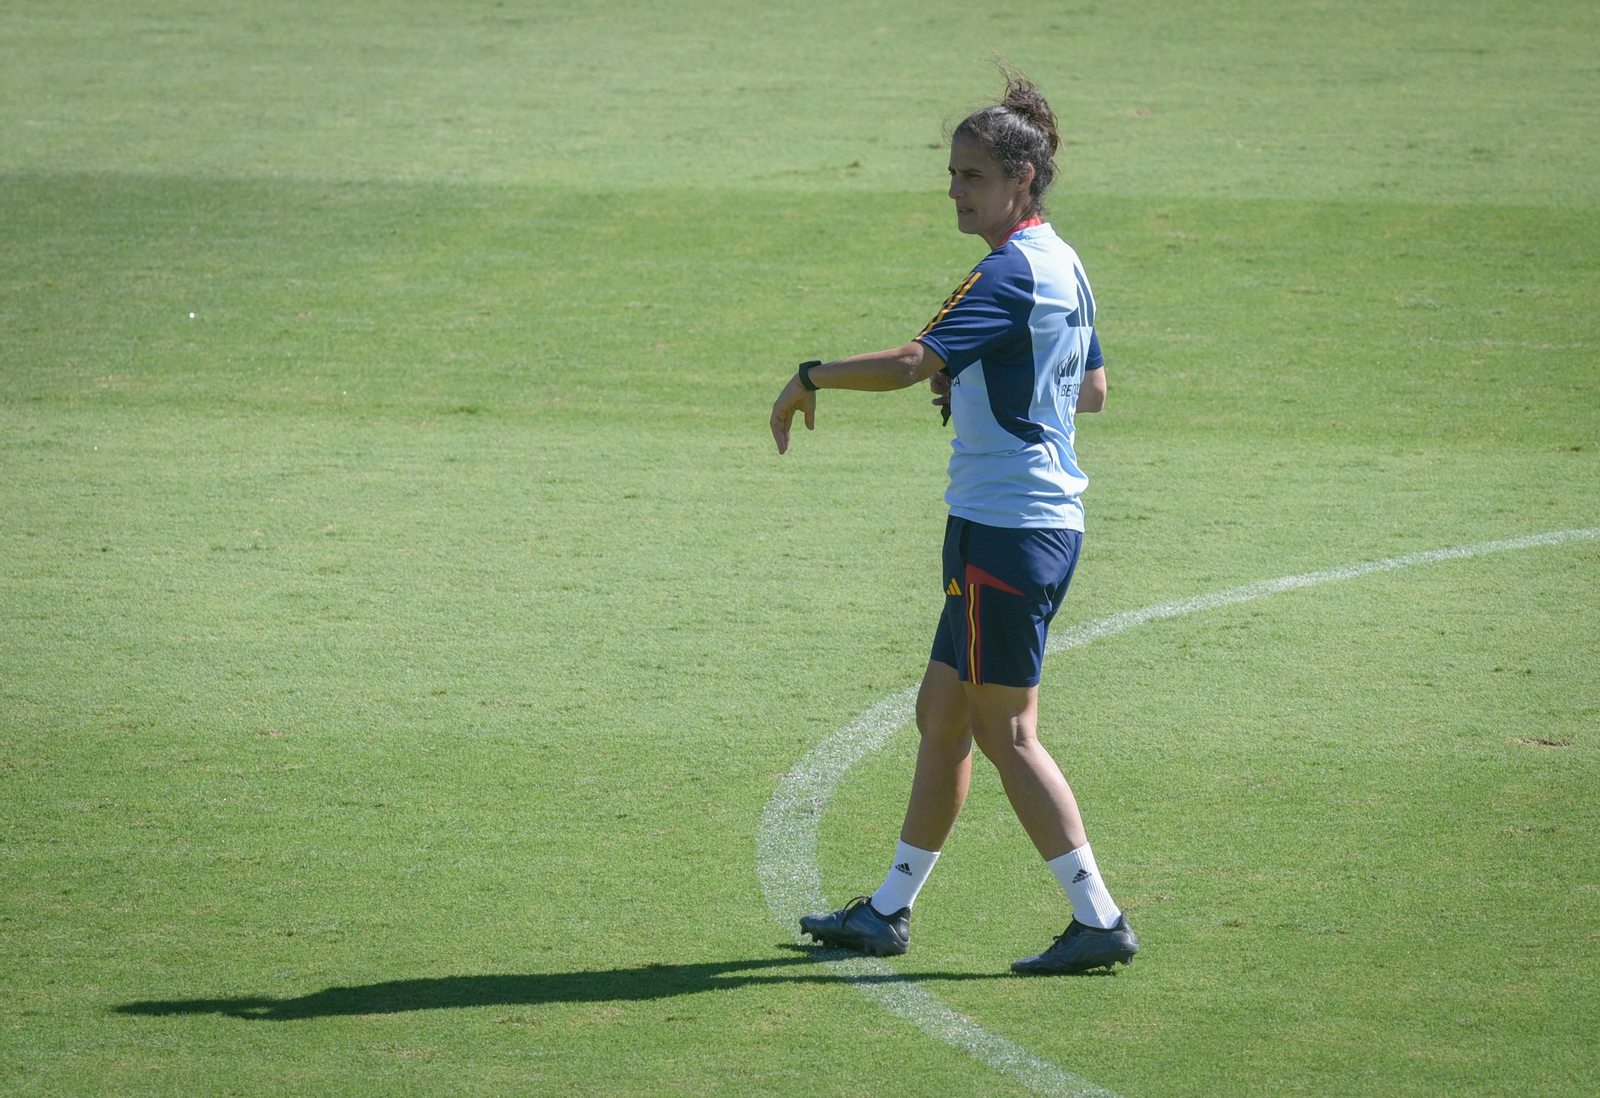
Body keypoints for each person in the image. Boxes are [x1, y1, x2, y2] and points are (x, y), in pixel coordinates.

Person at [768, 72, 1136, 975]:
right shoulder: (1062, 260)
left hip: (1007, 530)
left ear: (1022, 178)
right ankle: (888, 909)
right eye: (952, 172)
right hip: (1015, 524)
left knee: (1007, 734)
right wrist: (981, 375)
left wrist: (810, 375)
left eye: (972, 174)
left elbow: (905, 364)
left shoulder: (1007, 272)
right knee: (943, 714)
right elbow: (1089, 389)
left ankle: (1098, 917)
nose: (955, 189)